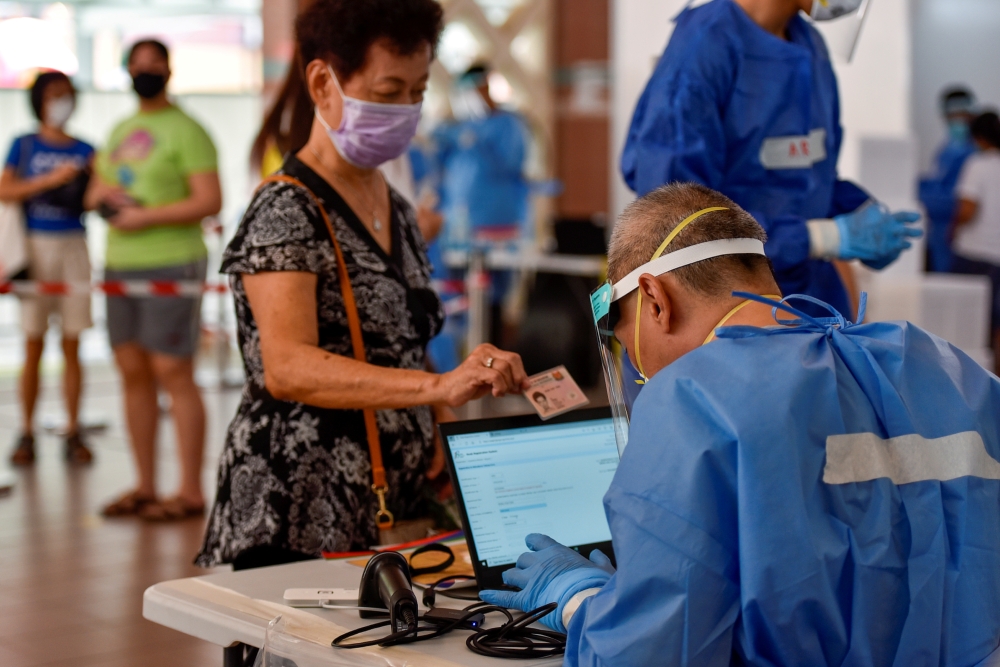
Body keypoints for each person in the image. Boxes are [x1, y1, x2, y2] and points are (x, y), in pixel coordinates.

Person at [481, 183, 1000, 666]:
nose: (640, 371)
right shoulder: (948, 367)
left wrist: (578, 601)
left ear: (655, 300)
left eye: (629, 344)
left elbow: (651, 655)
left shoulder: (691, 400)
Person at [196, 0, 529, 571]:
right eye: (386, 91)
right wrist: (434, 390)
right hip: (303, 503)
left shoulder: (395, 208)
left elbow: (401, 340)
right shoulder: (285, 208)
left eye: (417, 92)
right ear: (324, 83)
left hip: (391, 503)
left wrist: (441, 423)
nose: (405, 110)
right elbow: (286, 365)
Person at [621, 0, 921, 318]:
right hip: (723, 311)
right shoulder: (705, 46)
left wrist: (858, 211)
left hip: (806, 302)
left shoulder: (808, 44)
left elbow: (807, 175)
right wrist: (819, 238)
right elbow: (677, 218)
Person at [85, 39, 222, 521]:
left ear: (168, 69)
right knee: (132, 371)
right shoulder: (121, 128)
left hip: (172, 262)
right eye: (137, 64)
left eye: (153, 63)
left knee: (173, 373)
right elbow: (95, 191)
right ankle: (145, 485)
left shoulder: (187, 130)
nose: (145, 71)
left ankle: (188, 491)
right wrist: (107, 203)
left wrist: (148, 217)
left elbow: (209, 200)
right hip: (120, 263)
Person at [0, 70, 95, 466]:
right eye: (55, 94)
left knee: (73, 342)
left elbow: (94, 198)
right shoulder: (23, 145)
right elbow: (6, 189)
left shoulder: (87, 149)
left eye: (68, 94)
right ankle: (27, 430)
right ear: (39, 100)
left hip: (74, 243)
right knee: (33, 343)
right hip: (34, 247)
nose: (63, 101)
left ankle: (73, 428)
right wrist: (49, 180)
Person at [431, 63, 532, 346]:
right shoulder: (455, 128)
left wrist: (479, 142)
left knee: (492, 299)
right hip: (459, 227)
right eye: (471, 90)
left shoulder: (508, 125)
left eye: (481, 88)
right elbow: (439, 171)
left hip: (496, 223)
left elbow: (513, 164)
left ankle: (494, 361)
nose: (477, 95)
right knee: (461, 299)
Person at [951, 111, 1000, 374]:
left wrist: (952, 227)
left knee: (970, 328)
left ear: (978, 138)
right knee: (996, 327)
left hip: (975, 255)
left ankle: (973, 381)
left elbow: (968, 209)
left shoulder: (977, 164)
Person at [919, 87, 978, 273]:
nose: (958, 120)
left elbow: (960, 202)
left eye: (963, 115)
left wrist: (921, 197)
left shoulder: (976, 153)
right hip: (938, 233)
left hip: (957, 234)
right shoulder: (946, 148)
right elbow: (939, 181)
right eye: (952, 116)